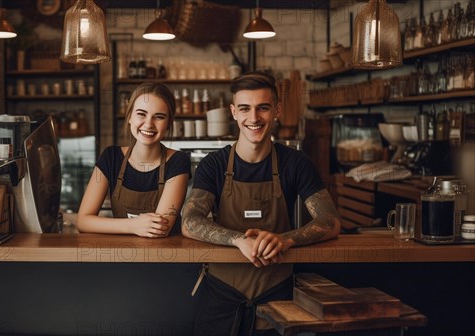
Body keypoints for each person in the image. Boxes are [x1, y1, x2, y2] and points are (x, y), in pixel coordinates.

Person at [182, 71, 340, 335]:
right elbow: (189, 222)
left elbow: (330, 222)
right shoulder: (214, 165)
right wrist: (238, 239)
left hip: (278, 292)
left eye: (262, 108)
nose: (253, 118)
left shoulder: (296, 163)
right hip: (222, 292)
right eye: (245, 108)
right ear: (233, 112)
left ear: (276, 110)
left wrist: (286, 239)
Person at [76, 82, 190, 237]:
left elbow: (161, 229)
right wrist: (132, 226)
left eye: (159, 117)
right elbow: (83, 221)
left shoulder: (178, 161)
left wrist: (124, 225)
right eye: (141, 114)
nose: (149, 124)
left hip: (167, 255)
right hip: (123, 255)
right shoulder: (111, 157)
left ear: (168, 124)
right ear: (129, 116)